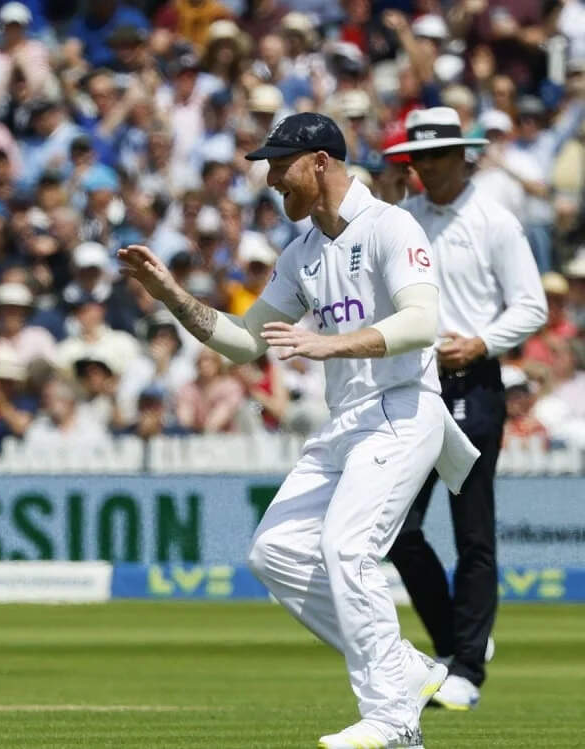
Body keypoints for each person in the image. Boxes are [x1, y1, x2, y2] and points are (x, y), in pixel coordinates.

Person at [118, 112, 480, 749]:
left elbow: (423, 322)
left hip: (403, 408)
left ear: (320, 161)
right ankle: (401, 667)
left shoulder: (391, 225)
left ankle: (394, 723)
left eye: (280, 165)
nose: (270, 179)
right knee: (275, 551)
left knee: (347, 547)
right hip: (350, 421)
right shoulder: (301, 252)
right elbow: (241, 344)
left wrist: (331, 345)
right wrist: (171, 294)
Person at [384, 107, 548, 710]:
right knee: (399, 529)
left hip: (475, 380)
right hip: (416, 382)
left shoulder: (494, 221)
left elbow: (530, 307)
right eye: (417, 158)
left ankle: (468, 672)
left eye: (434, 156)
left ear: (462, 156)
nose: (424, 167)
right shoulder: (403, 220)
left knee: (472, 530)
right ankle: (461, 644)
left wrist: (480, 341)